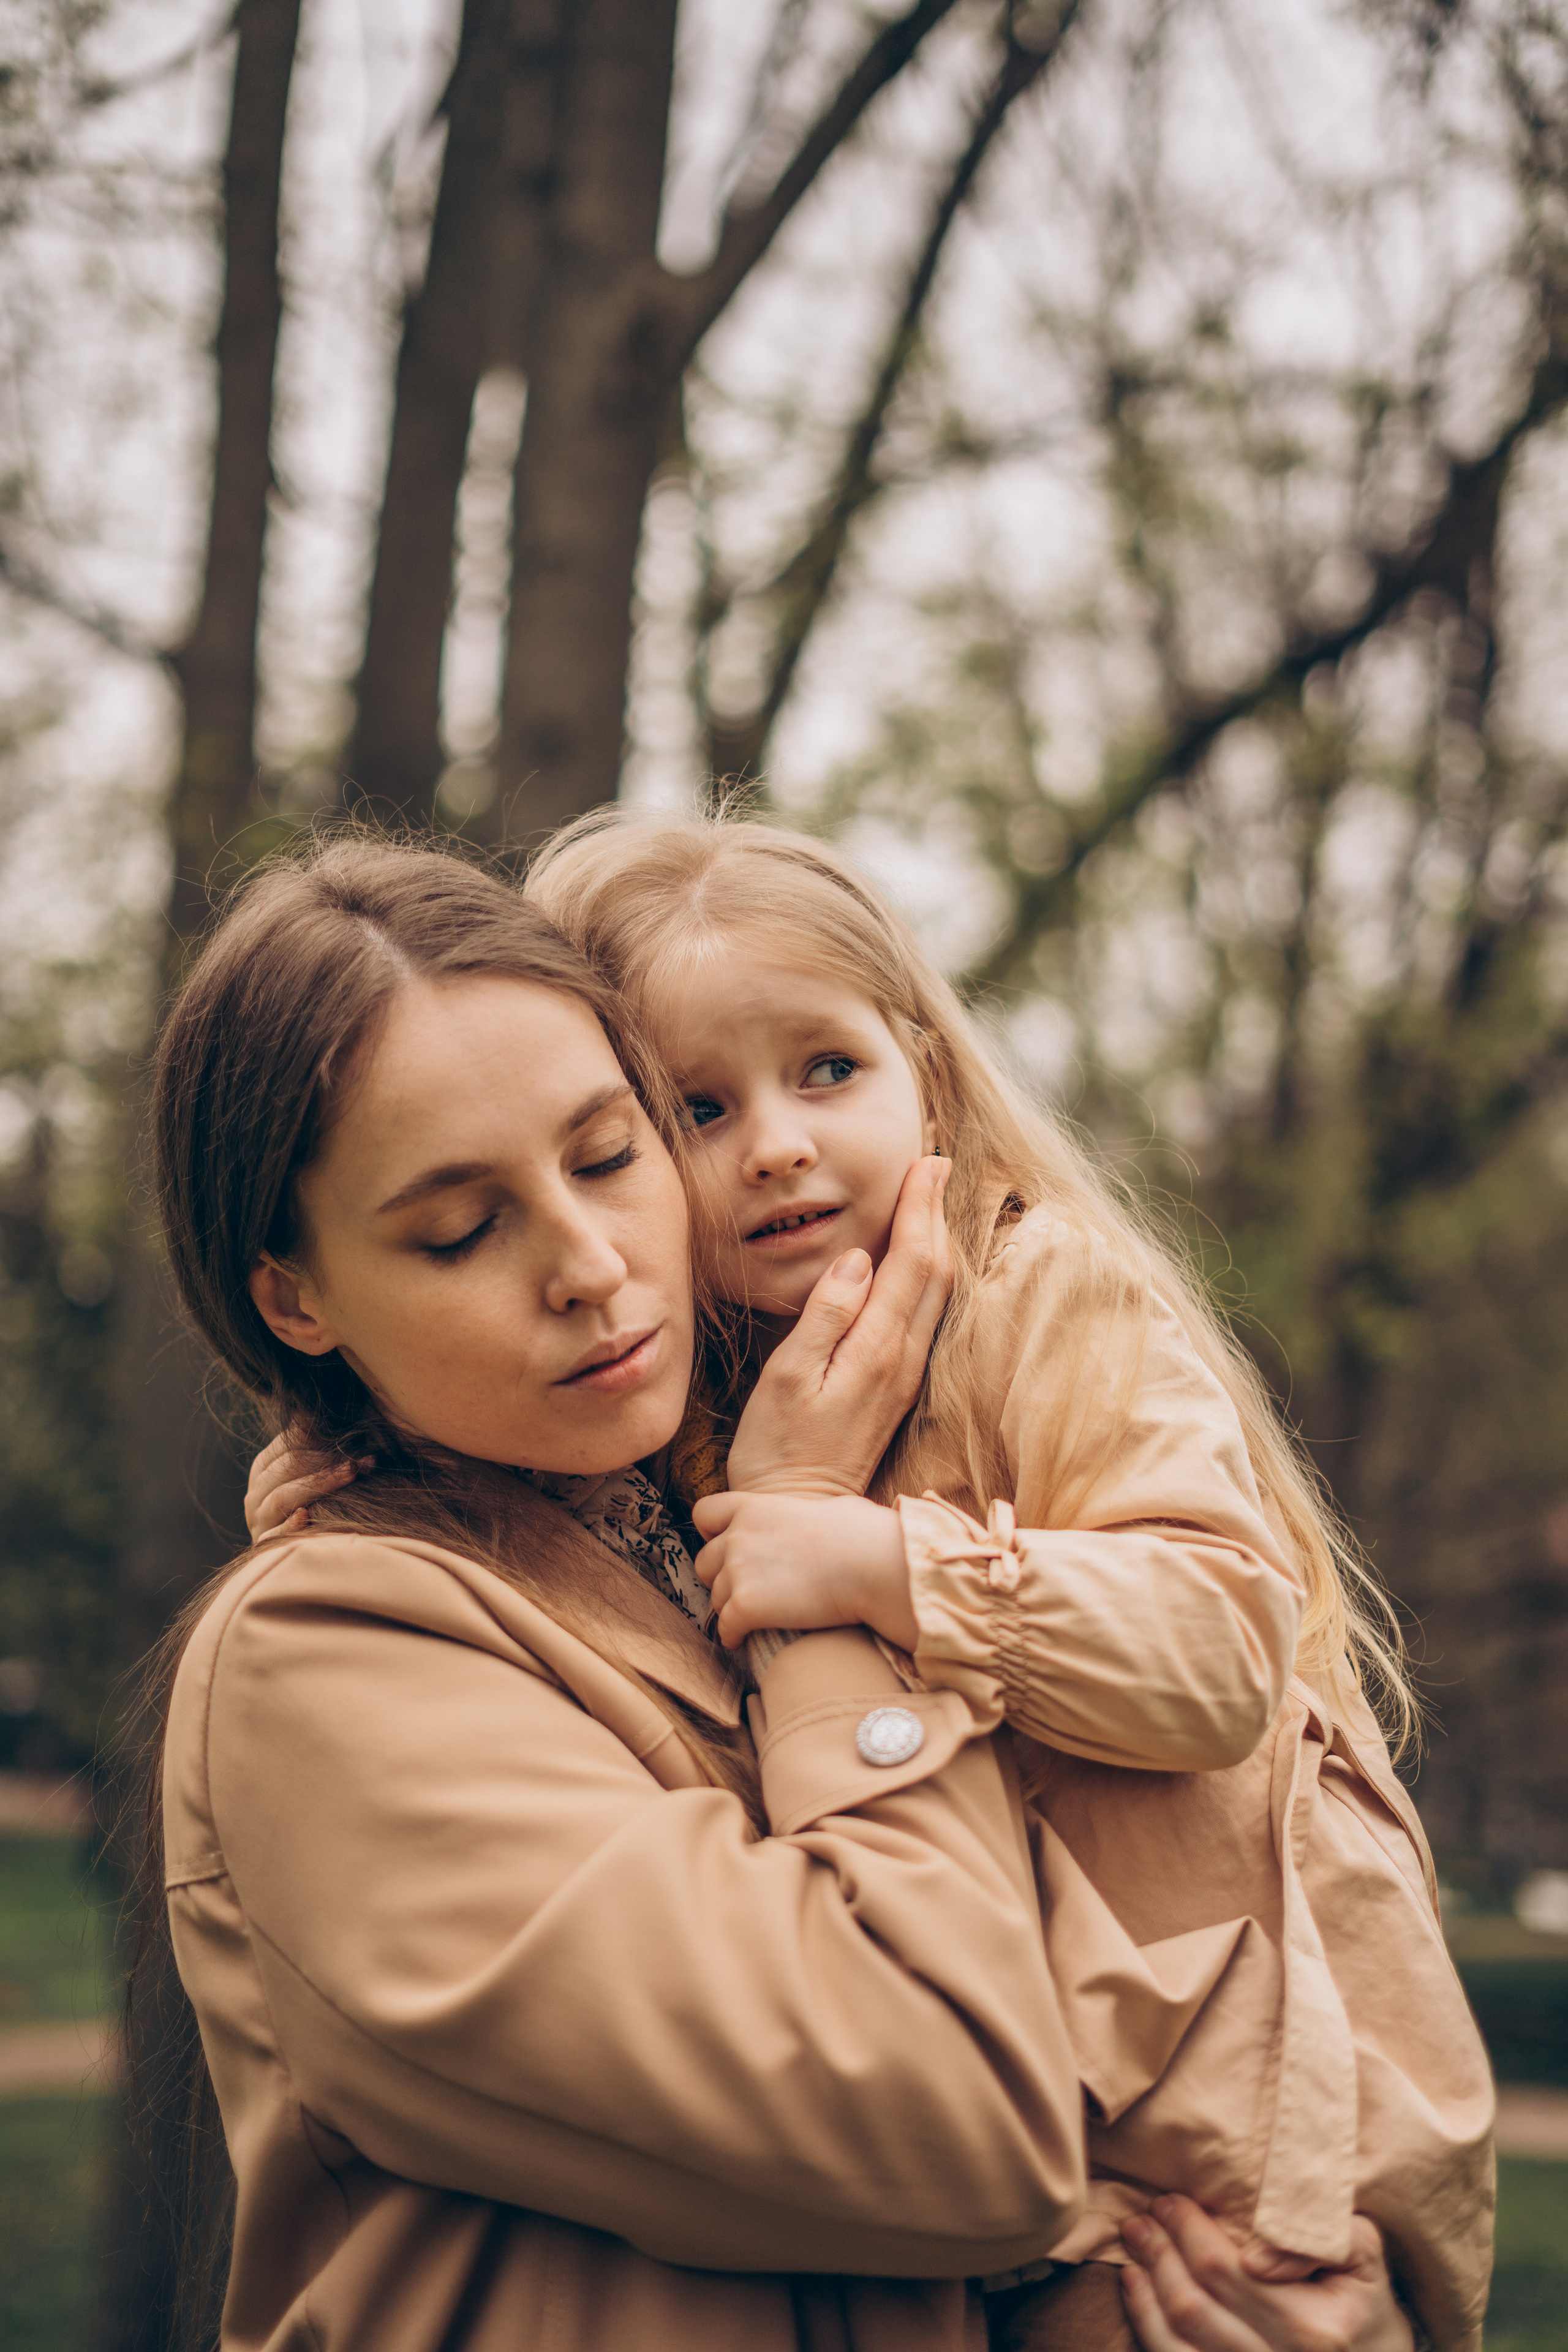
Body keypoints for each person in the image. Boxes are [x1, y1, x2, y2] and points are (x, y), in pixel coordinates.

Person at [244, 827, 1484, 2351]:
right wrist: (359, 1448)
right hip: (1030, 2137)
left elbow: (1223, 1650)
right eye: (696, 1110)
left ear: (928, 1080)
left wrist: (883, 1563)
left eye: (827, 1070)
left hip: (1225, 2101)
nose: (775, 1146)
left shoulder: (1036, 1297)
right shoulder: (686, 1402)